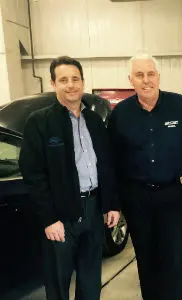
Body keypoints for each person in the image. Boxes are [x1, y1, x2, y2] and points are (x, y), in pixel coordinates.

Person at [108, 53, 182, 300]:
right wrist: (113, 203)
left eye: (151, 74)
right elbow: (111, 162)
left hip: (171, 196)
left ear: (159, 76)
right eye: (139, 75)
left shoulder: (178, 105)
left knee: (173, 262)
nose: (146, 80)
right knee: (146, 262)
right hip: (136, 198)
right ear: (131, 80)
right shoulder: (120, 114)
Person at [19, 56, 121, 300]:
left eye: (75, 79)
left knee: (90, 280)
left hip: (94, 210)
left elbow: (107, 165)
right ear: (53, 84)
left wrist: (111, 204)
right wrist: (49, 218)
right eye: (63, 80)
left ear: (83, 82)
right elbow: (33, 173)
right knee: (58, 282)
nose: (71, 85)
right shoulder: (40, 122)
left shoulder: (94, 121)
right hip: (60, 217)